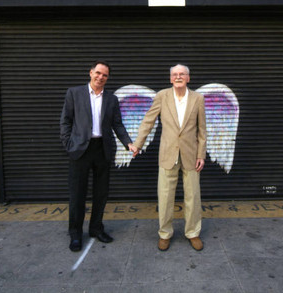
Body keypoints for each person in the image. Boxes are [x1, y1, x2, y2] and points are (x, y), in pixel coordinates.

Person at [60, 60, 137, 252]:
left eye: (105, 75)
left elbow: (117, 124)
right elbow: (66, 121)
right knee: (77, 194)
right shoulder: (74, 93)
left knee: (101, 193)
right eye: (98, 73)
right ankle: (75, 233)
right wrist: (69, 145)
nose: (100, 77)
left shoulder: (111, 99)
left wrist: (128, 142)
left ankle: (96, 228)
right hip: (80, 150)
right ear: (91, 72)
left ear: (107, 78)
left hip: (103, 149)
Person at [133, 64, 207, 251]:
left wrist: (201, 155)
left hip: (191, 155)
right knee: (165, 196)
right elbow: (148, 120)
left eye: (182, 74)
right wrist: (138, 144)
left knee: (193, 196)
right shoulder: (162, 96)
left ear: (188, 78)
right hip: (167, 154)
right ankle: (165, 233)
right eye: (175, 74)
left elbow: (202, 130)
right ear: (170, 78)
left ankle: (193, 233)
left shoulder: (198, 99)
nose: (178, 76)